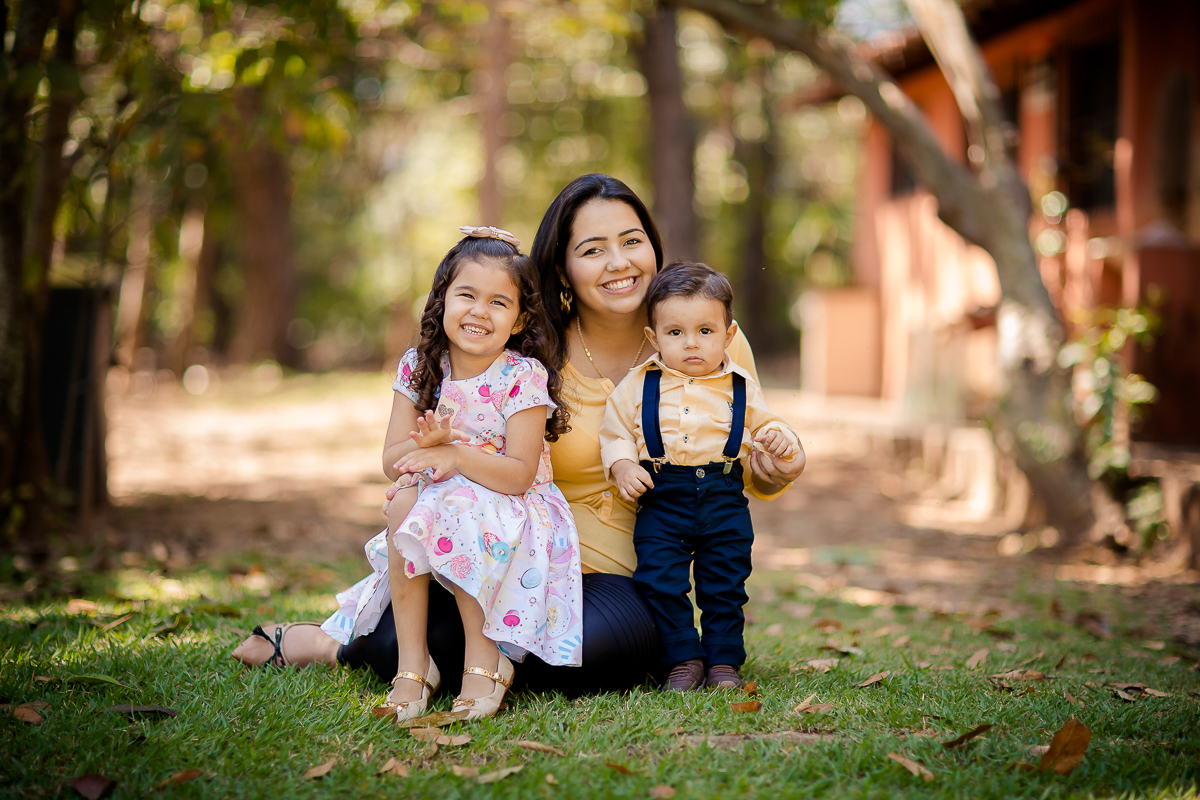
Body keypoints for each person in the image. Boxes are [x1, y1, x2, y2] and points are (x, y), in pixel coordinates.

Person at [231, 174, 806, 697]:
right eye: (592, 250)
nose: (619, 262)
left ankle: (389, 650)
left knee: (594, 651)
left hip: (635, 575)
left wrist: (774, 471)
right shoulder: (533, 350)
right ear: (561, 269)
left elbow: (744, 455)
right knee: (408, 638)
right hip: (531, 558)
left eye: (632, 241)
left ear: (653, 246)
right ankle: (337, 643)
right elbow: (459, 403)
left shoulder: (707, 334)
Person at [363, 226, 583, 722]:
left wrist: (456, 455)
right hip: (442, 496)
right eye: (467, 295)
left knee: (455, 501)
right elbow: (392, 460)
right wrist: (429, 446)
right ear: (442, 299)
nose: (480, 311)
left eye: (498, 302)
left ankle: (484, 658)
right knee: (402, 501)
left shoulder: (522, 375)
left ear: (520, 318)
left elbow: (520, 474)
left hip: (514, 507)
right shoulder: (420, 366)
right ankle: (413, 664)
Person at [599, 262, 801, 692]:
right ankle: (683, 659)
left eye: (705, 331)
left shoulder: (740, 385)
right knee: (659, 579)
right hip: (661, 497)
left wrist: (780, 438)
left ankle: (724, 661)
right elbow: (615, 433)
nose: (691, 343)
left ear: (728, 335)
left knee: (725, 582)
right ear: (653, 337)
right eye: (675, 332)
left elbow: (768, 423)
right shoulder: (638, 384)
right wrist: (623, 465)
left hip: (723, 495)